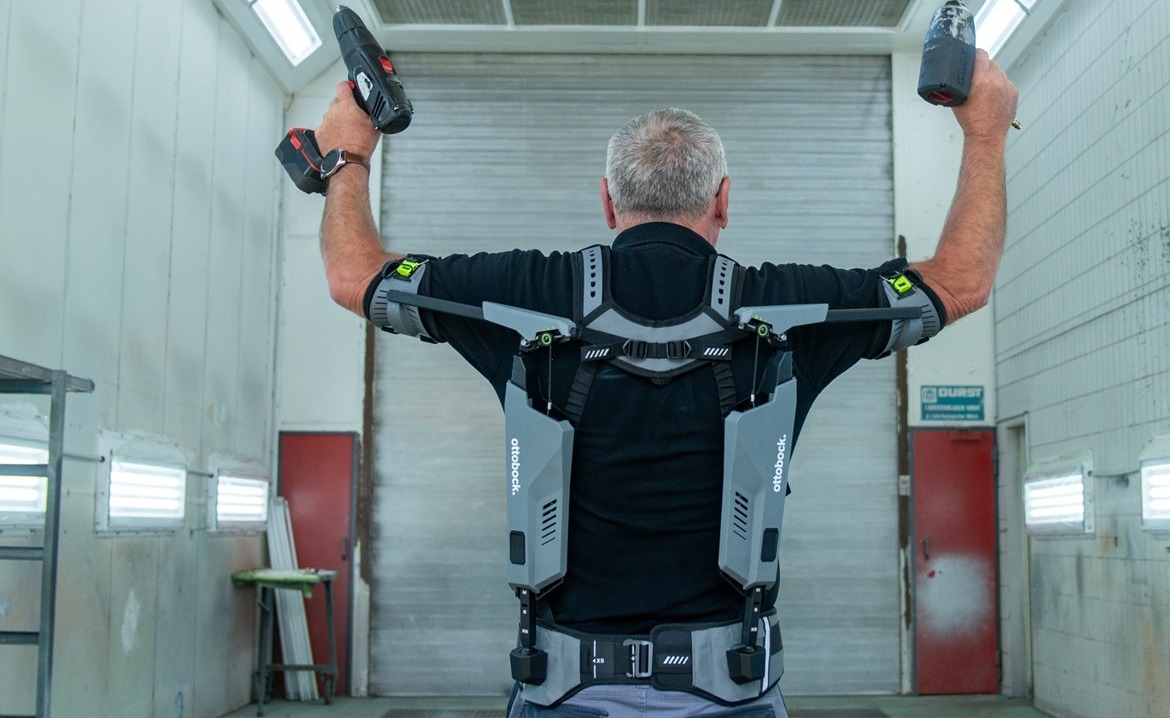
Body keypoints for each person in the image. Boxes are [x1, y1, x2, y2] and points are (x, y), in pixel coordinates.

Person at [313, 50, 1017, 718]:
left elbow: (355, 275)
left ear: (608, 202)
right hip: (733, 694)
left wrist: (349, 154)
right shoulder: (792, 308)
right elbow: (959, 280)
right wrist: (983, 131)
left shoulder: (524, 293)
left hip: (561, 695)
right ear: (724, 200)